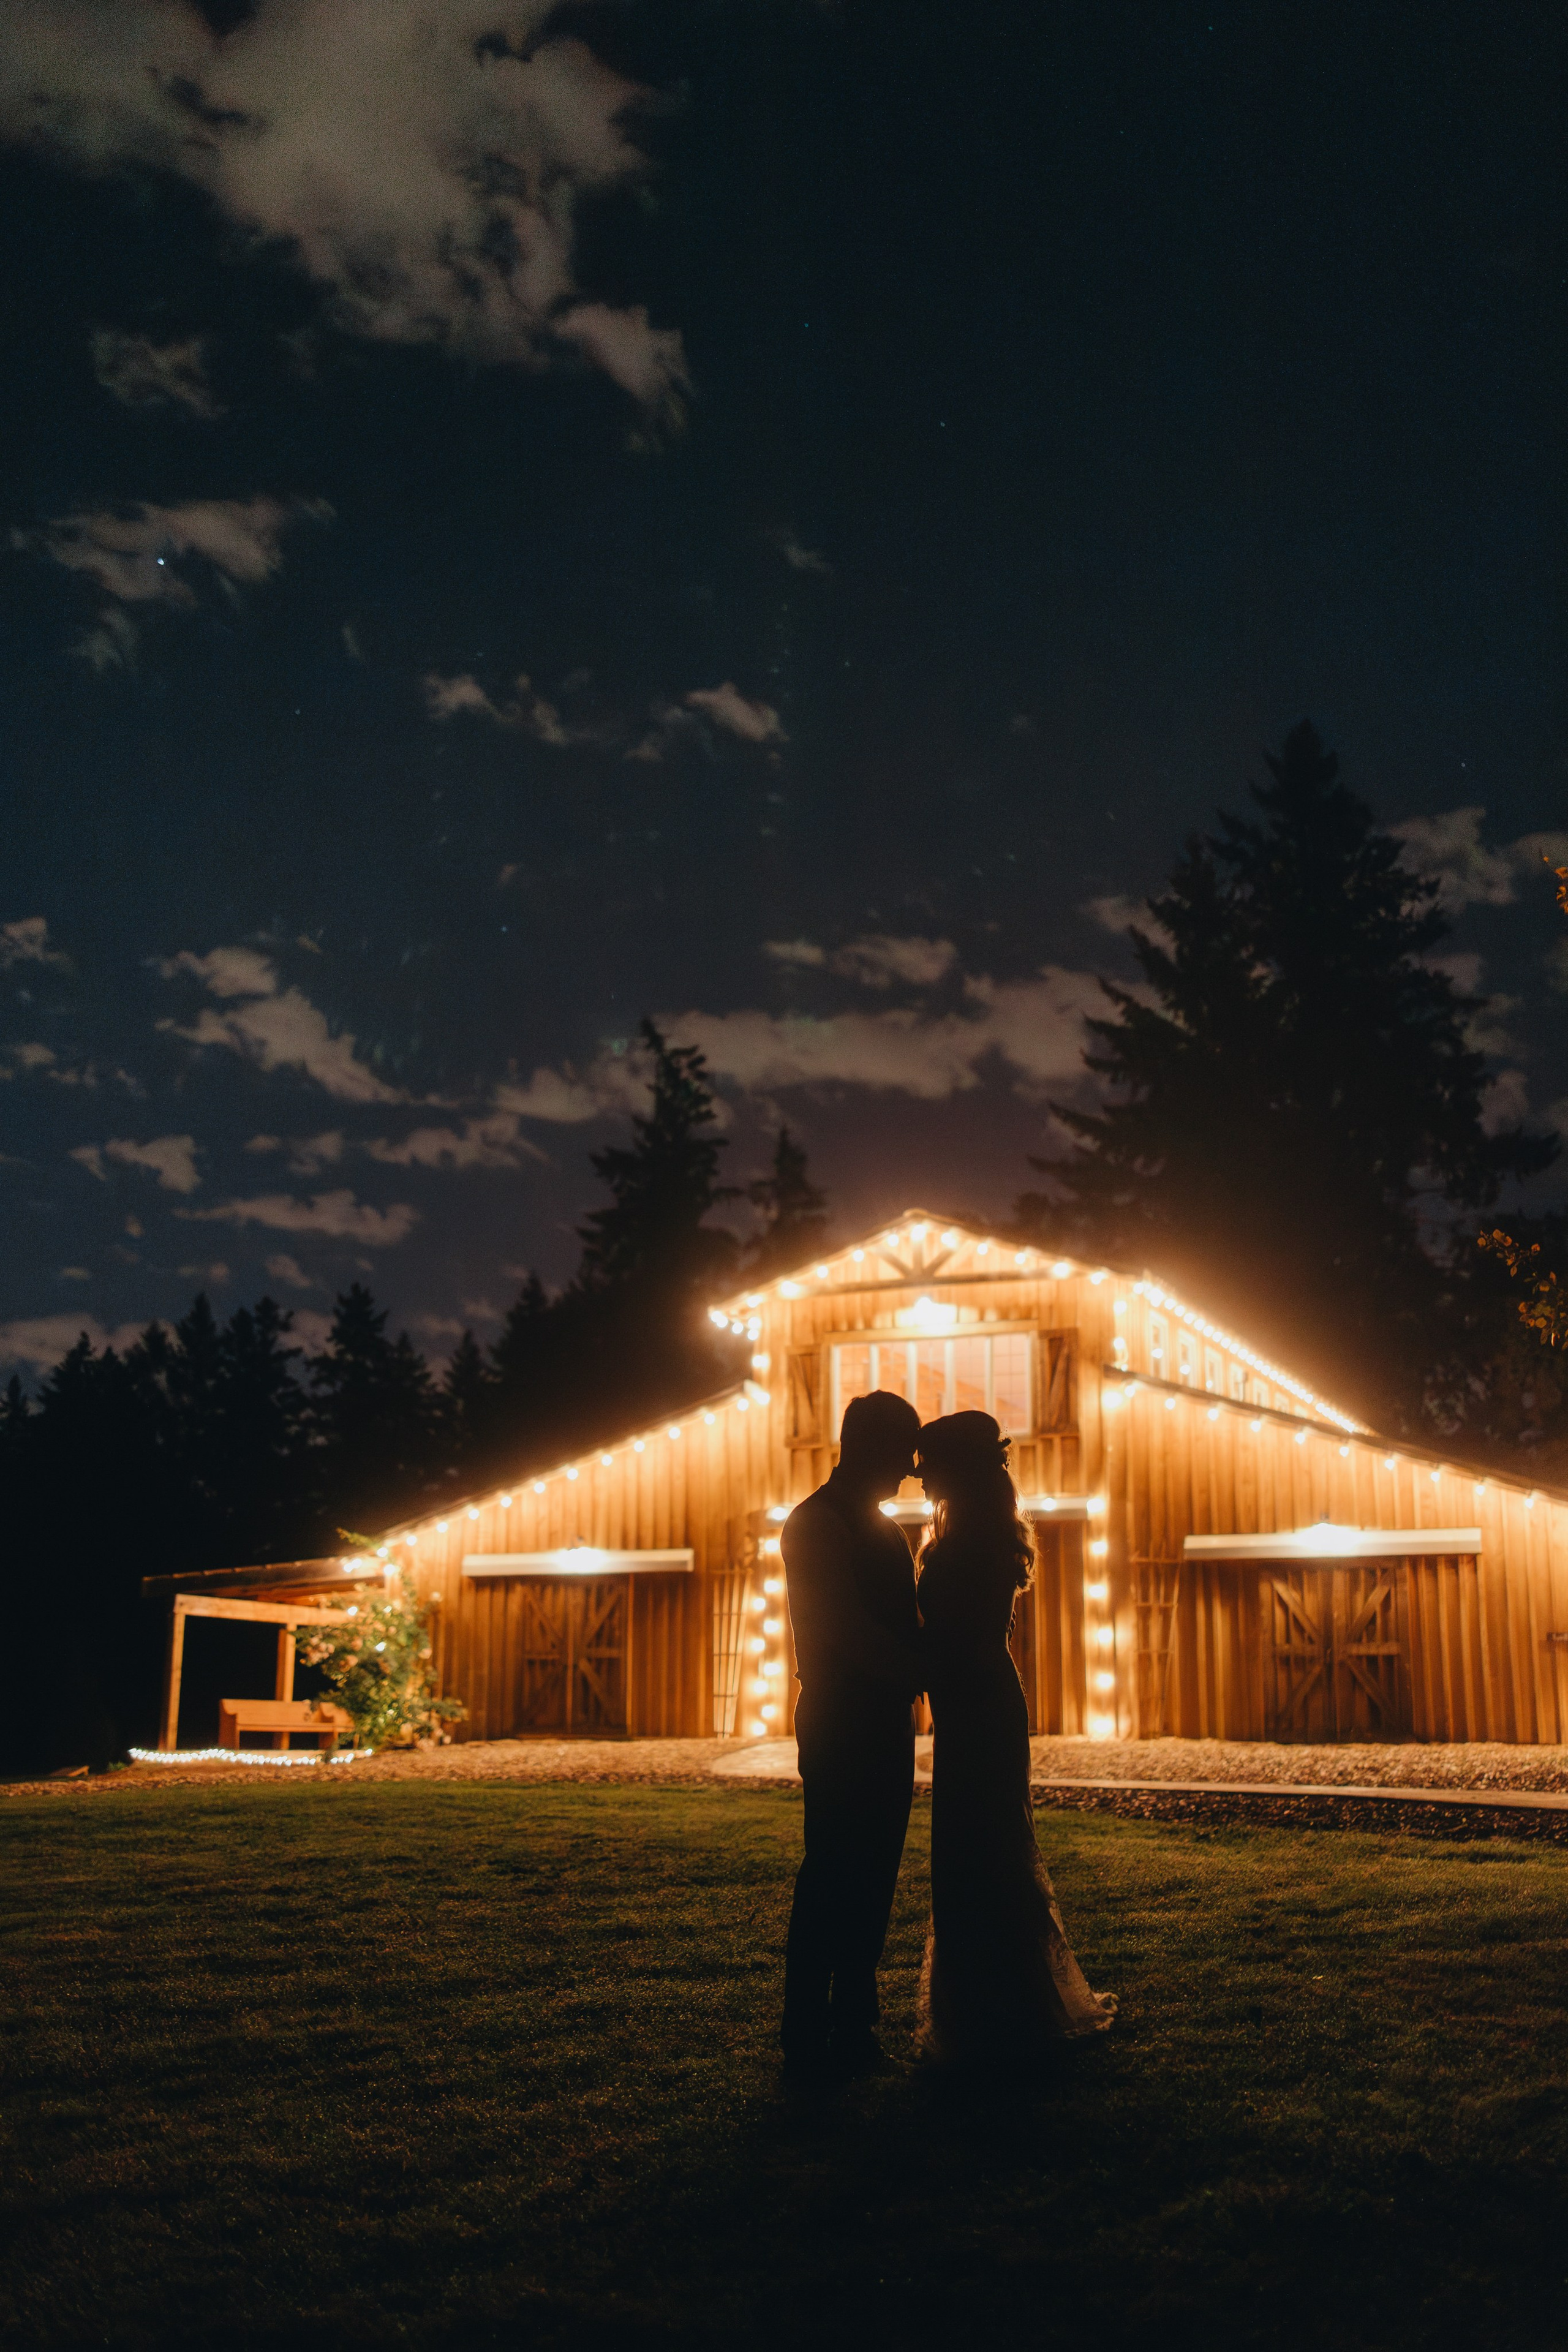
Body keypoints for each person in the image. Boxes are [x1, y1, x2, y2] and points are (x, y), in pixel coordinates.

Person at [915, 1410, 1115, 2066]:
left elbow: (963, 1640)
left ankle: (997, 2015)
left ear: (955, 1469)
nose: (917, 1476)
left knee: (982, 1849)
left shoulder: (969, 1542)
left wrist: (912, 1659)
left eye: (927, 1464)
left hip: (977, 1703)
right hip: (976, 1702)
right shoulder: (969, 1530)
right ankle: (993, 2008)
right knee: (979, 1847)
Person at [780, 1388, 924, 2077]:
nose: (907, 1470)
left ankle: (855, 2022)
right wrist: (925, 1670)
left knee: (876, 1872)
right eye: (901, 1452)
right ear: (866, 1446)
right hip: (840, 1718)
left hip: (888, 1719)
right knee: (833, 1870)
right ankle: (805, 2027)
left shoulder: (883, 1526)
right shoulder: (813, 1524)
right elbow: (841, 1626)